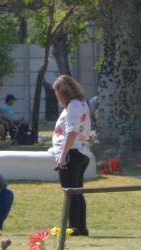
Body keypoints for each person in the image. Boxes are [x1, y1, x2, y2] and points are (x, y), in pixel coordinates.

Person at [50, 74, 93, 237]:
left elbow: (72, 132)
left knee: (70, 192)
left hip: (72, 153)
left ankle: (74, 227)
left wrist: (62, 156)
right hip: (81, 152)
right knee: (77, 192)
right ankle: (80, 227)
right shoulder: (81, 103)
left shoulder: (73, 106)